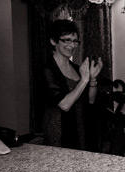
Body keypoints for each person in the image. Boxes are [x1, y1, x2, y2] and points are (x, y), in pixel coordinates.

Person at [42, 19, 103, 150]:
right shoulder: (48, 70)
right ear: (53, 41)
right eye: (67, 40)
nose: (72, 45)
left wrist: (92, 80)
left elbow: (90, 101)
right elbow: (64, 105)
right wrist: (84, 81)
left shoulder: (76, 68)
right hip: (59, 130)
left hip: (80, 127)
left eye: (75, 41)